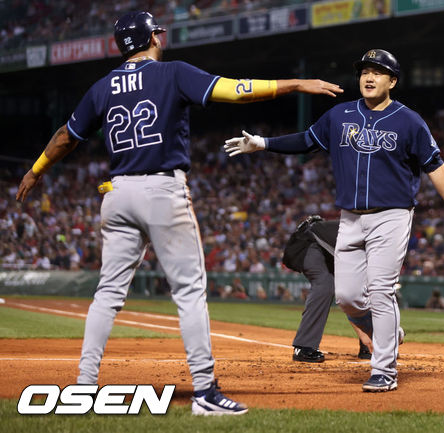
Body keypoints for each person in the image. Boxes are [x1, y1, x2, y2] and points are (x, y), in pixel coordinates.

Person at [15, 11, 342, 416]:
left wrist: (35, 171)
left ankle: (84, 386)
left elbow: (66, 137)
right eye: (158, 32)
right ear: (152, 37)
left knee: (107, 293)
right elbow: (236, 91)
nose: (162, 37)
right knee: (188, 291)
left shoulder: (102, 87)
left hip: (117, 194)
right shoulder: (172, 72)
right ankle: (205, 391)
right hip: (161, 189)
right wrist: (294, 83)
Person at [224, 49, 444, 392]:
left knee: (381, 292)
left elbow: (435, 165)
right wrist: (263, 143)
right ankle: (389, 332)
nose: (369, 78)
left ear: (393, 81)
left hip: (392, 215)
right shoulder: (340, 115)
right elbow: (306, 141)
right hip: (350, 218)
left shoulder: (409, 120)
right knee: (348, 297)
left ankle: (384, 369)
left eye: (378, 72)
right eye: (364, 71)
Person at [282, 215, 373, 362]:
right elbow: (347, 297)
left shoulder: (371, 241)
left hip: (327, 250)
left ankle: (368, 344)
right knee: (325, 284)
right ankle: (303, 347)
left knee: (363, 287)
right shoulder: (365, 238)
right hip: (308, 243)